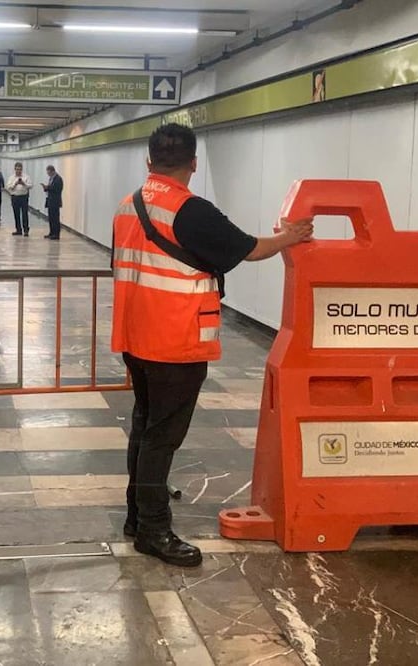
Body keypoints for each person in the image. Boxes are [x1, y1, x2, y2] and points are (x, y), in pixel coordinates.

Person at [111, 123, 314, 567]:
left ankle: (137, 516)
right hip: (174, 340)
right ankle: (154, 530)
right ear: (193, 164)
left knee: (146, 428)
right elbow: (248, 249)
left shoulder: (127, 207)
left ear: (149, 162)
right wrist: (289, 237)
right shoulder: (190, 210)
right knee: (162, 437)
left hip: (135, 336)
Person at [6, 162, 32, 236]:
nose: (18, 171)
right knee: (16, 214)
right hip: (15, 197)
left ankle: (26, 230)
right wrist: (15, 184)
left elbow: (31, 185)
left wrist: (24, 184)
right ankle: (18, 230)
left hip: (24, 197)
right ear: (15, 169)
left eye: (20, 169)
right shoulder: (11, 177)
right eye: (17, 169)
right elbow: (8, 187)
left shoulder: (26, 177)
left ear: (22, 169)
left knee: (24, 214)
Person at [42, 165, 63, 240]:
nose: (48, 174)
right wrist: (46, 188)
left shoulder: (58, 179)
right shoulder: (51, 178)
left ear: (52, 171)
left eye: (49, 172)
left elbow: (57, 189)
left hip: (55, 201)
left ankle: (56, 234)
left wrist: (48, 187)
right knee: (51, 218)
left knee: (55, 218)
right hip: (50, 200)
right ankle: (51, 232)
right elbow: (51, 188)